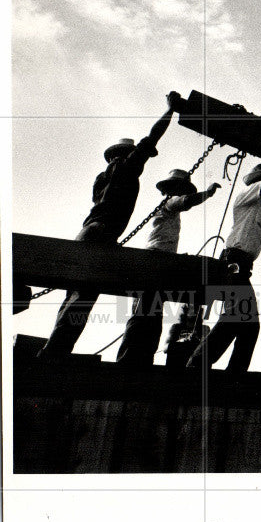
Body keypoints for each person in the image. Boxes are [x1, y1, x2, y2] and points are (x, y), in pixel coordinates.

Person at [37, 92, 183, 359]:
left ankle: (53, 349)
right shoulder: (126, 169)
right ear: (127, 155)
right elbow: (152, 137)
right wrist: (170, 111)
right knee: (83, 298)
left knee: (73, 296)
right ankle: (55, 354)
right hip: (103, 234)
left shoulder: (101, 177)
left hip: (86, 233)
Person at [187, 160, 261, 373]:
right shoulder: (246, 196)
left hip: (243, 266)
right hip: (232, 261)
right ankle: (197, 363)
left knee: (250, 326)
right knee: (236, 315)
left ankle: (235, 372)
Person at [115, 169, 221, 368]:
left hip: (160, 263)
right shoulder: (170, 203)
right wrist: (208, 193)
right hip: (155, 262)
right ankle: (129, 362)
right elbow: (188, 201)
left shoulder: (169, 209)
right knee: (144, 315)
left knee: (150, 316)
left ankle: (140, 361)